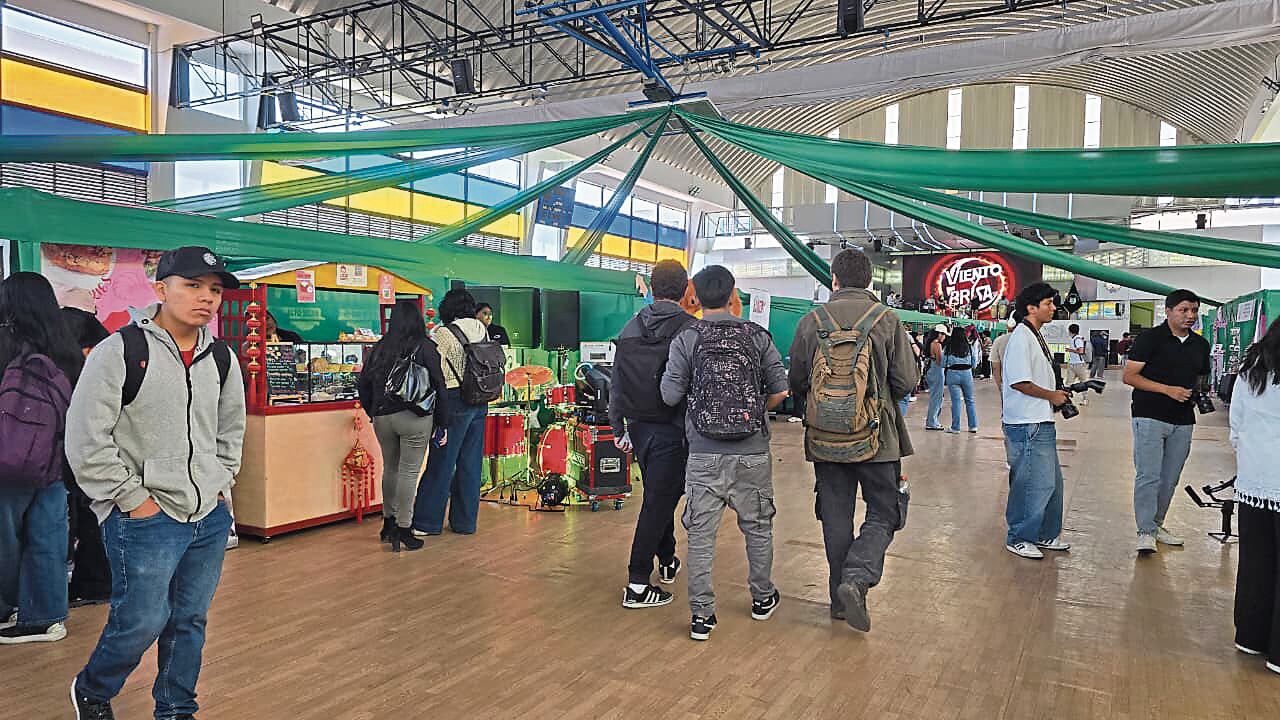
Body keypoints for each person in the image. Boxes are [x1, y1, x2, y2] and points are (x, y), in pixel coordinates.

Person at [65, 246, 245, 719]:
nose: (206, 297)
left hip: (207, 514)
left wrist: (221, 485)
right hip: (144, 518)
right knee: (141, 620)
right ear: (161, 289)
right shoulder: (121, 351)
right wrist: (132, 499)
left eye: (214, 289)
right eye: (192, 285)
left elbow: (230, 429)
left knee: (189, 621)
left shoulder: (222, 358)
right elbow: (85, 437)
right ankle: (92, 687)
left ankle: (176, 708)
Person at [788, 249, 918, 631]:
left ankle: (838, 601)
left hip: (826, 439)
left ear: (834, 280)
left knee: (835, 515)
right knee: (885, 511)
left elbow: (797, 379)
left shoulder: (811, 321)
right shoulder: (887, 320)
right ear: (870, 282)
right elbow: (906, 382)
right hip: (879, 440)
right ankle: (857, 578)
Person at [660, 265, 789, 641]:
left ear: (694, 297)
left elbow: (669, 395)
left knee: (700, 536)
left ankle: (702, 615)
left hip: (702, 453)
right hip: (752, 453)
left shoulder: (687, 338)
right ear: (734, 296)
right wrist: (752, 412)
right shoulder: (757, 336)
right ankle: (762, 598)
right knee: (758, 528)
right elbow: (781, 391)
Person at [0, 273, 81, 645]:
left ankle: (6, 608)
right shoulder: (66, 348)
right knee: (49, 538)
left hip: (7, 463)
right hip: (54, 462)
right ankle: (47, 617)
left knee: (6, 538)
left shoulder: (6, 344)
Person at [610, 260, 695, 610]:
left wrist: (618, 426)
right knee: (658, 502)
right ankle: (637, 583)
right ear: (685, 288)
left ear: (651, 286)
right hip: (674, 429)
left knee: (658, 496)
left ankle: (668, 558)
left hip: (638, 428)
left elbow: (616, 381)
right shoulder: (691, 330)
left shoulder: (631, 326)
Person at [358, 300, 451, 553]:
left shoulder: (379, 347)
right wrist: (443, 422)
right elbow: (439, 386)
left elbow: (363, 384)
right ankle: (404, 528)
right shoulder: (426, 347)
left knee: (391, 469)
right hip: (414, 417)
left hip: (382, 417)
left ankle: (388, 523)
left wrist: (373, 411)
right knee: (410, 472)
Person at [1123, 289, 1210, 555]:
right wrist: (1167, 390)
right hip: (1149, 415)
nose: (1190, 316)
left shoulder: (1200, 345)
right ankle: (1145, 531)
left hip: (1183, 419)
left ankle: (1157, 524)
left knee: (1170, 477)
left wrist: (1197, 394)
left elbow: (1200, 378)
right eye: (1184, 310)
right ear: (1168, 311)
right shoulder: (1150, 339)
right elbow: (1130, 376)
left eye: (1194, 310)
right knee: (1148, 475)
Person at [1001, 282, 1071, 560]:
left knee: (1052, 483)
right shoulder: (1021, 336)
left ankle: (1044, 533)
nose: (1054, 308)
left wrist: (1055, 394)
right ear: (1031, 308)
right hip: (1027, 422)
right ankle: (1019, 536)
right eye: (1048, 304)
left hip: (1040, 420)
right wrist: (1051, 395)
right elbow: (1019, 381)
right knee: (1031, 483)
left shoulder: (1035, 336)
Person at [412, 289, 490, 536]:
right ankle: (465, 522)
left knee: (442, 462)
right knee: (470, 463)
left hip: (454, 400)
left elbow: (431, 367)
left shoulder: (443, 333)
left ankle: (426, 522)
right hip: (480, 398)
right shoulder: (481, 328)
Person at [1228, 318, 1280, 674]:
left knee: (1257, 563)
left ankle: (1251, 636)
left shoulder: (1251, 372)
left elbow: (1237, 426)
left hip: (1254, 482)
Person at [59, 307, 112, 607]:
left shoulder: (66, 360)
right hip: (95, 456)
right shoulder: (102, 354)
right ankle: (95, 582)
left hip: (77, 455)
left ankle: (91, 582)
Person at [943, 328, 979, 433]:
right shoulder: (969, 347)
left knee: (956, 401)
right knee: (970, 400)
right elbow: (974, 362)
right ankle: (973, 426)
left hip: (952, 373)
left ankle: (955, 427)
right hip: (967, 373)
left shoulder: (948, 347)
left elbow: (943, 363)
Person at [924, 324, 950, 431]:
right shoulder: (937, 345)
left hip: (931, 370)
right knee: (937, 397)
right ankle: (932, 422)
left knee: (935, 396)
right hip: (937, 371)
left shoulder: (929, 343)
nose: (944, 337)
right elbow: (940, 361)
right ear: (939, 334)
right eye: (944, 335)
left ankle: (933, 421)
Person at [1067, 324, 1091, 406]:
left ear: (1070, 330)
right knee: (1068, 383)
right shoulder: (1074, 338)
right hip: (1072, 364)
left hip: (1079, 364)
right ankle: (1067, 401)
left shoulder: (1077, 339)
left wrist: (1070, 350)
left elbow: (1081, 351)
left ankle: (1085, 399)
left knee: (1083, 382)